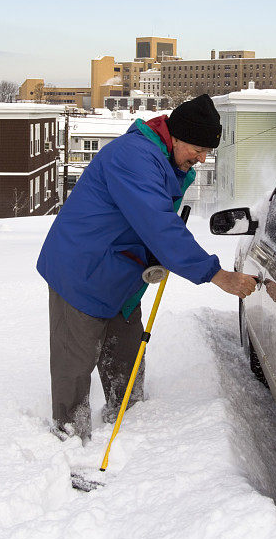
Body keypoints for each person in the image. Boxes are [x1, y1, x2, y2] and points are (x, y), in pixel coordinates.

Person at [37, 94, 256, 441]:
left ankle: (129, 427)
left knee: (125, 354)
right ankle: (69, 437)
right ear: (177, 136)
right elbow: (157, 223)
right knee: (74, 364)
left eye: (206, 153)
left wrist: (155, 255)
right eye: (198, 149)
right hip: (81, 269)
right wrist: (215, 274)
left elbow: (153, 222)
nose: (201, 159)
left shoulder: (167, 160)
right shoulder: (133, 157)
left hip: (121, 273)